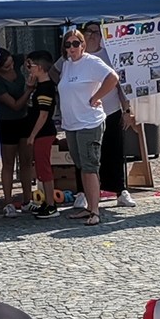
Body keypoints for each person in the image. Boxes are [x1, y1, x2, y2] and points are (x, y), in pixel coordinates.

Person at [54, 28, 121, 226]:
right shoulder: (66, 65)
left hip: (89, 122)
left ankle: (95, 211)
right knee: (82, 166)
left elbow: (113, 78)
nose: (72, 48)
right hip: (72, 124)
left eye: (76, 43)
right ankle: (89, 207)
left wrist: (96, 97)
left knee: (90, 167)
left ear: (83, 45)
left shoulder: (91, 62)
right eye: (68, 44)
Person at [83, 22, 137, 210]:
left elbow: (122, 85)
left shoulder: (109, 54)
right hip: (86, 115)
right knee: (87, 155)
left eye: (97, 33)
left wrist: (127, 110)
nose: (93, 36)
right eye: (89, 32)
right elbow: (57, 72)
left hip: (111, 110)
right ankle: (83, 193)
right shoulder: (74, 57)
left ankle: (120, 190)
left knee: (114, 151)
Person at [0, 47, 33, 213]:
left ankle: (28, 199)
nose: (10, 67)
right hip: (7, 120)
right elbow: (15, 105)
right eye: (6, 67)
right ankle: (8, 202)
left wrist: (30, 65)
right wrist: (29, 90)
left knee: (26, 160)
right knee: (8, 162)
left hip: (24, 119)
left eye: (11, 64)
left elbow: (28, 55)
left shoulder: (15, 60)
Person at [22, 51, 60, 217]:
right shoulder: (40, 86)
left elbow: (43, 115)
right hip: (40, 133)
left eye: (31, 66)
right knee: (41, 168)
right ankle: (47, 202)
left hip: (43, 133)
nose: (29, 69)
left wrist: (32, 135)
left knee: (44, 168)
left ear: (41, 68)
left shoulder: (46, 88)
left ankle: (51, 205)